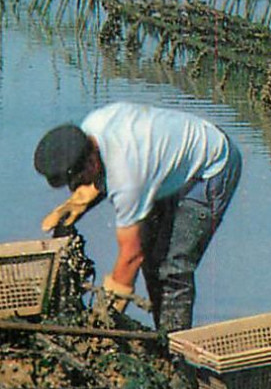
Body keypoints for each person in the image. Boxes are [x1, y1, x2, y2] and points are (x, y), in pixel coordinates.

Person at [33, 102, 242, 332]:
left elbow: (131, 256)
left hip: (211, 168)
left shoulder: (127, 178)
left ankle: (175, 350)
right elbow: (107, 172)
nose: (77, 187)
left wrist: (104, 321)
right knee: (153, 259)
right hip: (168, 162)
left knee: (173, 267)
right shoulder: (91, 128)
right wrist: (79, 203)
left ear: (91, 162)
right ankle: (162, 331)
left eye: (79, 181)